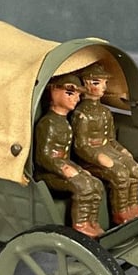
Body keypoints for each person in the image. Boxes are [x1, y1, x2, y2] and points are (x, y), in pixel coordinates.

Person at [33, 73, 105, 238]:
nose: (76, 99)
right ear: (53, 92)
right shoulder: (48, 123)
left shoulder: (65, 122)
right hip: (48, 174)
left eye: (78, 95)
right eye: (70, 93)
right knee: (83, 185)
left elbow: (65, 156)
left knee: (96, 184)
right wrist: (64, 169)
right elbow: (44, 156)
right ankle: (80, 225)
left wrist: (78, 169)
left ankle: (92, 222)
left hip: (62, 168)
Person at [72, 62, 138, 224]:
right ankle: (120, 211)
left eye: (105, 83)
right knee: (120, 173)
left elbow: (110, 139)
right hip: (90, 158)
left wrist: (122, 151)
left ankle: (132, 206)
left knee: (134, 168)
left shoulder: (105, 112)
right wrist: (98, 157)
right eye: (97, 83)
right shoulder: (81, 113)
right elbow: (81, 146)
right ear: (86, 84)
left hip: (108, 150)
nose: (103, 87)